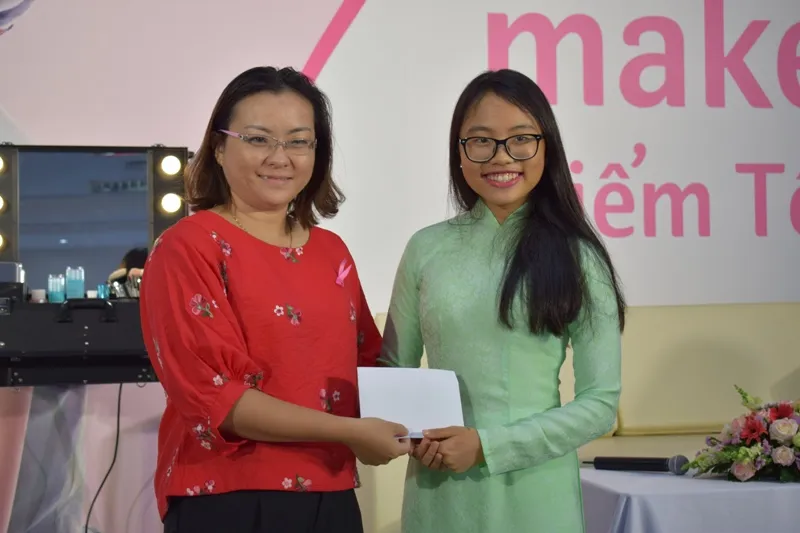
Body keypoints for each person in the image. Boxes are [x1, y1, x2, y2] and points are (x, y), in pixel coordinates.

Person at [140, 66, 410, 533]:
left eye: (299, 141)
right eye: (258, 139)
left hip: (332, 493)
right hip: (228, 497)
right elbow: (220, 399)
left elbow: (367, 366)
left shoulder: (331, 252)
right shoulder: (188, 246)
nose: (279, 157)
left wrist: (434, 427)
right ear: (219, 147)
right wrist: (351, 432)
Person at [379, 69, 626, 532]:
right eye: (481, 141)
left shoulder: (578, 256)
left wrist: (487, 446)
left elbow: (599, 404)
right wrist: (412, 435)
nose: (501, 157)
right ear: (459, 151)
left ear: (546, 146)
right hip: (440, 485)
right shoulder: (425, 248)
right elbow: (394, 369)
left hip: (537, 491)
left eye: (521, 139)